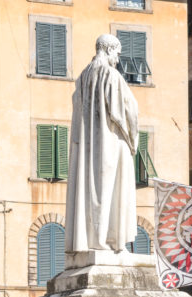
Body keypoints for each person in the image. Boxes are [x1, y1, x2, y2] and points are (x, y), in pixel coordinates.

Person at [65, 33, 140, 253]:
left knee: (91, 193)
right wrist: (132, 140)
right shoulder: (111, 75)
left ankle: (93, 241)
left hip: (87, 150)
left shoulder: (82, 78)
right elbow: (127, 110)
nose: (118, 58)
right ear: (108, 49)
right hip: (110, 143)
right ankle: (110, 242)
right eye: (117, 53)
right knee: (113, 190)